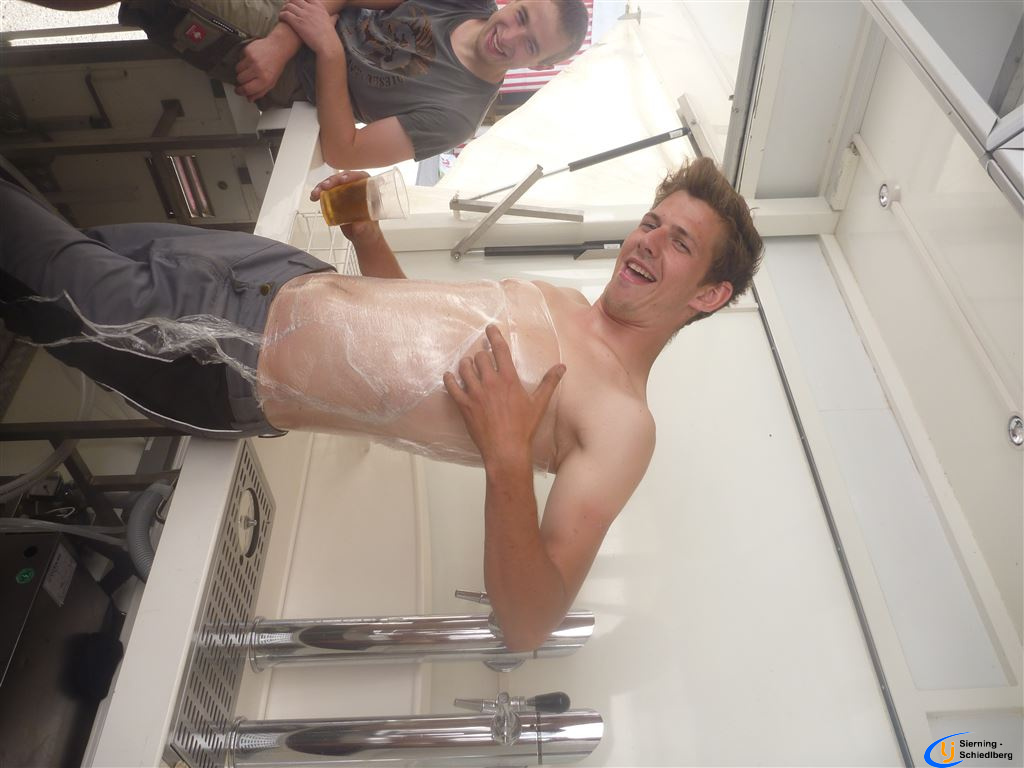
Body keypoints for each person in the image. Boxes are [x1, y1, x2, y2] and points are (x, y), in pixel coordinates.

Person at [0, 159, 762, 651]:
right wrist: (365, 235)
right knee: (48, 243)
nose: (649, 241)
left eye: (680, 243)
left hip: (227, 352)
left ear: (708, 294)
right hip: (274, 273)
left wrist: (506, 456)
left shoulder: (624, 424)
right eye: (652, 222)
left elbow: (530, 623)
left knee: (32, 259)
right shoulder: (561, 300)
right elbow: (409, 335)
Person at [113, 0, 590, 169]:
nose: (510, 36)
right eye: (521, 16)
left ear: (539, 64)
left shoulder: (458, 117)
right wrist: (285, 39)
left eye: (530, 45)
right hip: (295, 19)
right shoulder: (465, 2)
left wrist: (328, 50)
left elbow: (344, 150)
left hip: (295, 71)